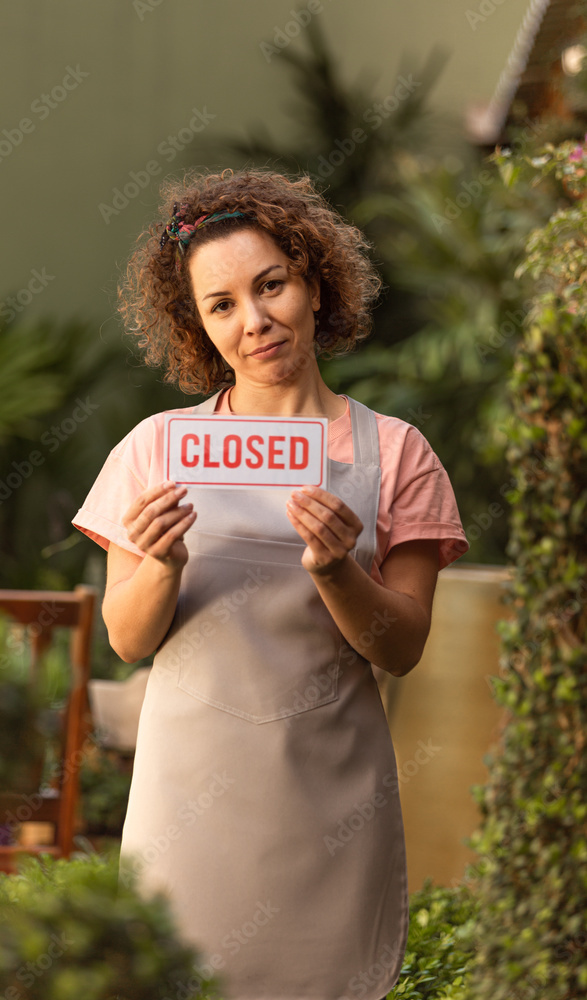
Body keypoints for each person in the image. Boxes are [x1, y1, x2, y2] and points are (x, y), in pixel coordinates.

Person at [72, 167, 469, 999]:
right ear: (197, 325)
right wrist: (163, 564)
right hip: (187, 799)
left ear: (315, 285)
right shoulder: (154, 448)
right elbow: (127, 638)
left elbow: (400, 647)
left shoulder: (396, 453)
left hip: (328, 799)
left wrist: (334, 570)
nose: (253, 320)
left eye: (271, 285)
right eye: (220, 305)